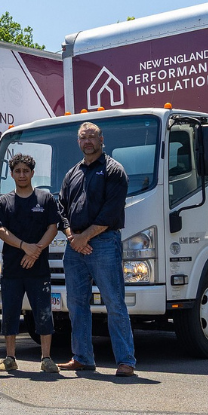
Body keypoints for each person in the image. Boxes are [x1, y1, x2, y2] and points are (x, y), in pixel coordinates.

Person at [58, 122, 137, 377]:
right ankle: (82, 357)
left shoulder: (114, 170)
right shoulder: (72, 173)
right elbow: (61, 208)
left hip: (103, 242)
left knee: (114, 302)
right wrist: (72, 235)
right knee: (77, 304)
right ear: (78, 142)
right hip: (74, 246)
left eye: (92, 136)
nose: (87, 141)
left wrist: (85, 238)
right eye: (83, 137)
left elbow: (111, 212)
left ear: (102, 139)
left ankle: (126, 361)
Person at [0, 153, 63, 374]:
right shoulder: (4, 201)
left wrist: (36, 251)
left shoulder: (45, 199)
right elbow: (1, 230)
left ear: (33, 173)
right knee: (11, 312)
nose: (22, 174)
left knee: (43, 312)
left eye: (26, 170)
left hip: (39, 269)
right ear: (12, 174)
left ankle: (46, 358)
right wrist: (25, 246)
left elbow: (53, 227)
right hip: (12, 269)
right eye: (17, 171)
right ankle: (10, 357)